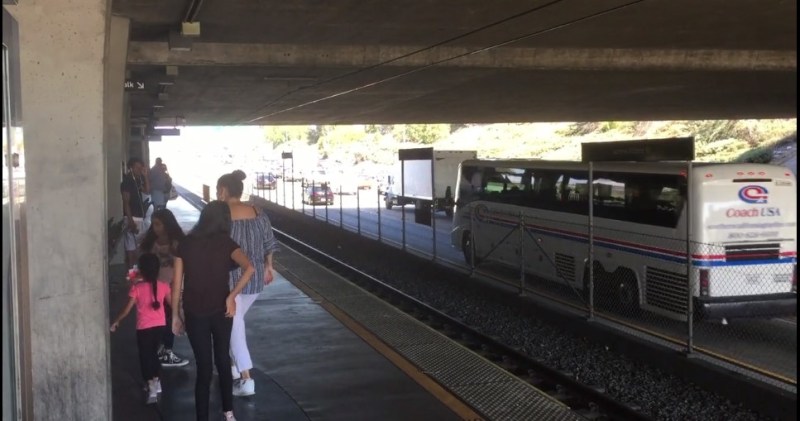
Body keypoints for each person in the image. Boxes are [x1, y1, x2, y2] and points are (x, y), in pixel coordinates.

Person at [172, 201, 255, 421]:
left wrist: (175, 315)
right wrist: (231, 296)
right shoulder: (226, 243)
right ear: (224, 220)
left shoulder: (185, 243)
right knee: (222, 361)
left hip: (194, 312)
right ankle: (228, 414)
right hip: (222, 311)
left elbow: (177, 282)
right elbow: (250, 268)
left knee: (204, 368)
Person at [216, 170, 279, 397]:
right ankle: (234, 367)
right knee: (235, 321)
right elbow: (269, 242)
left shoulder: (220, 214)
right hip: (255, 279)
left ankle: (246, 378)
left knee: (234, 325)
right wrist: (269, 267)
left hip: (230, 280)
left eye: (217, 190)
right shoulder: (257, 211)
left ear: (223, 191)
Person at [110, 253, 171, 404]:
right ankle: (157, 382)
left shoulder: (137, 288)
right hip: (160, 326)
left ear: (142, 269)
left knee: (145, 356)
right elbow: (171, 303)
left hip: (144, 328)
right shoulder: (163, 286)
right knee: (154, 354)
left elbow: (126, 310)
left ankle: (150, 384)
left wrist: (116, 321)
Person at [140, 209, 189, 368]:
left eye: (158, 224)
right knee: (157, 319)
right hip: (153, 287)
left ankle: (167, 349)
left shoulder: (177, 243)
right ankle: (162, 348)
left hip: (170, 288)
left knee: (168, 318)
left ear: (167, 224)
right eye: (154, 224)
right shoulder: (149, 242)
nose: (155, 228)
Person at [121, 157, 150, 269]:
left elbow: (147, 190)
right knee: (134, 248)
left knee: (133, 247)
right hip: (132, 217)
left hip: (138, 217)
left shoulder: (137, 180)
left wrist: (145, 176)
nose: (139, 170)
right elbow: (126, 202)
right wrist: (130, 220)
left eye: (140, 167)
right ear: (131, 168)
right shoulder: (127, 181)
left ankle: (133, 271)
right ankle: (132, 270)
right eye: (137, 167)